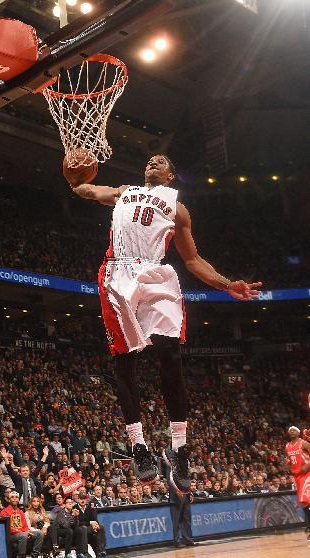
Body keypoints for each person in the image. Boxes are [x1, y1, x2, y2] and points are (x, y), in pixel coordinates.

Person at [67, 154, 262, 492]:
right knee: (125, 361)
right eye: (150, 160)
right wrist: (73, 179)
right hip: (119, 272)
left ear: (171, 175)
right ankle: (138, 446)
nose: (153, 162)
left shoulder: (177, 208)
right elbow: (87, 190)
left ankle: (179, 448)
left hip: (156, 273)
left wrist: (228, 283)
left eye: (161, 161)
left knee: (170, 354)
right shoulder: (123, 192)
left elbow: (193, 259)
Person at [0, 491, 43, 558]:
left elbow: (25, 526)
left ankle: (35, 555)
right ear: (9, 500)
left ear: (18, 500)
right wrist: (22, 532)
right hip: (11, 536)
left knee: (39, 533)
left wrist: (28, 531)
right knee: (23, 535)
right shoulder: (4, 512)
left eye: (16, 497)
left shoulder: (20, 512)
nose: (14, 499)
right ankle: (21, 556)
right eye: (12, 497)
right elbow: (7, 528)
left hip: (22, 534)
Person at [285, 426, 310, 539]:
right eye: (290, 430)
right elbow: (291, 462)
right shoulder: (287, 446)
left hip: (307, 474)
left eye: (293, 430)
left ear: (298, 432)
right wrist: (288, 463)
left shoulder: (303, 443)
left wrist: (308, 465)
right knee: (304, 503)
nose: (291, 431)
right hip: (297, 476)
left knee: (304, 500)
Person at [73, 488, 106, 557]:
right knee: (84, 528)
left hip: (87, 527)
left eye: (84, 499)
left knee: (101, 526)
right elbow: (78, 522)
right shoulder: (74, 508)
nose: (83, 500)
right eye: (81, 498)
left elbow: (94, 519)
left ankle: (101, 550)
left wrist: (95, 524)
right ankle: (84, 552)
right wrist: (90, 523)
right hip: (78, 528)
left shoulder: (89, 507)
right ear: (78, 499)